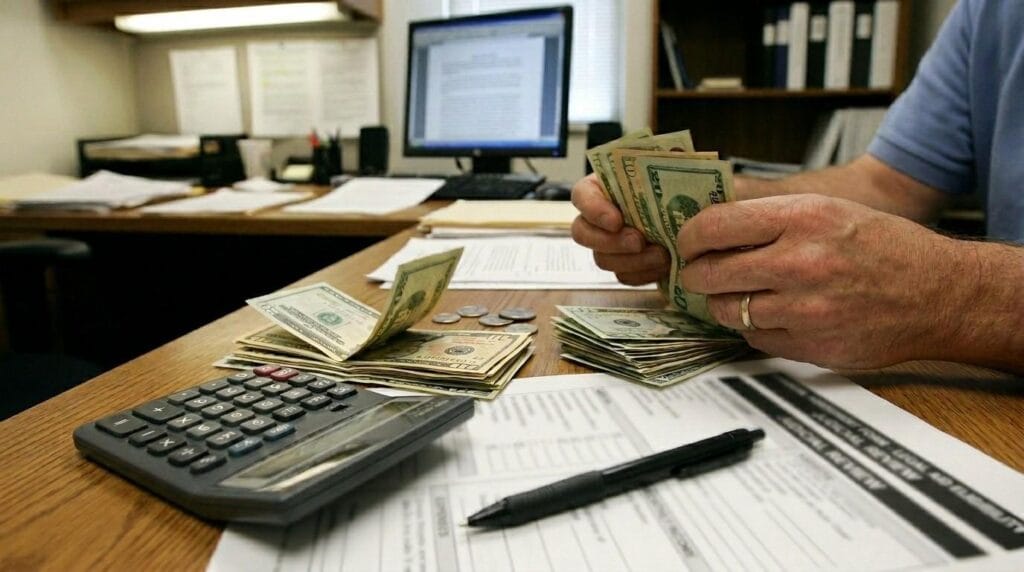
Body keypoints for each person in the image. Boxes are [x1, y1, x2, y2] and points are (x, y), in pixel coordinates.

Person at [571, 0, 1024, 373]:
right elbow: (887, 183)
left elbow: (944, 284)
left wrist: (950, 293)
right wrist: (731, 206)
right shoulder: (986, 10)